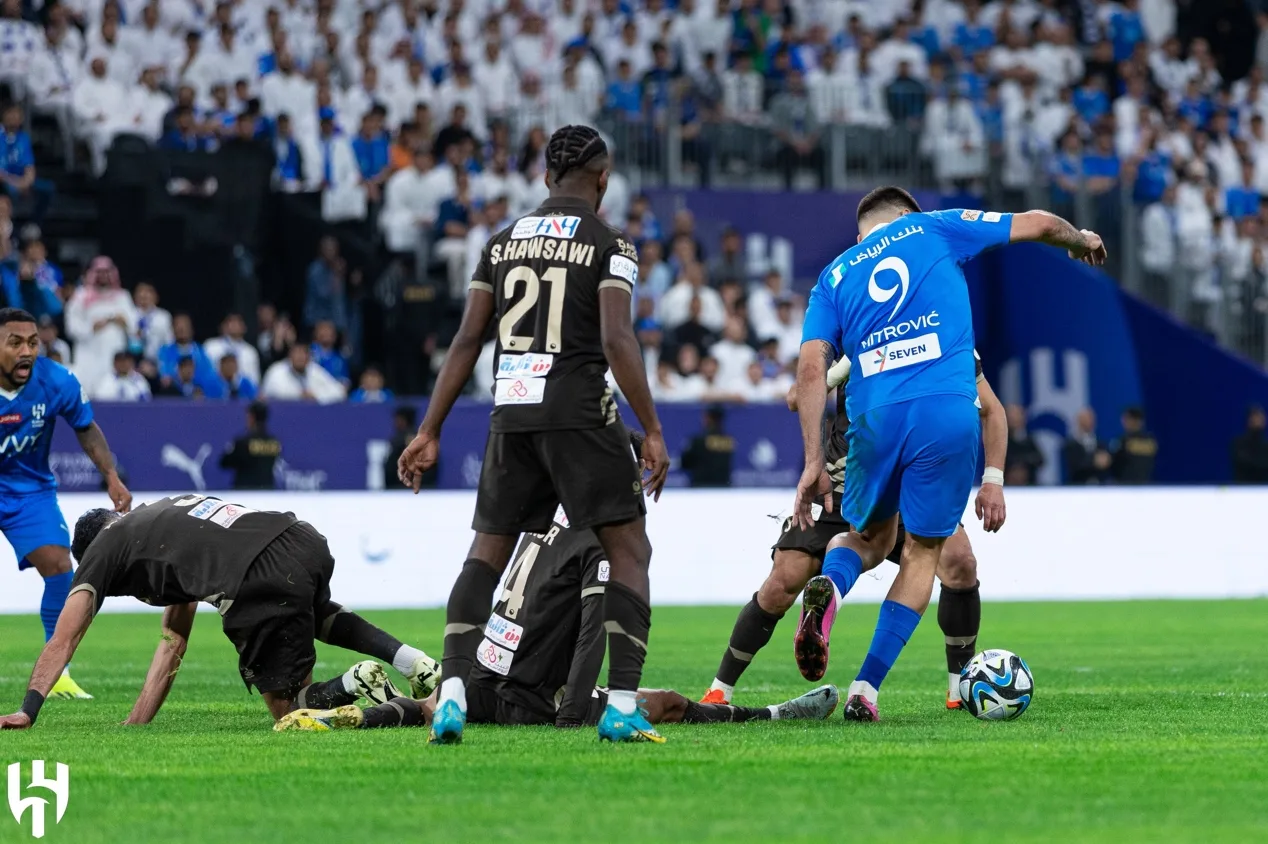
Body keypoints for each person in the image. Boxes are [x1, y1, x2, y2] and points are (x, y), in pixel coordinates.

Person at [396, 124, 669, 745]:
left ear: (546, 177)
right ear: (603, 180)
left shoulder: (500, 243)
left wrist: (429, 429)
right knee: (630, 551)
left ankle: (453, 691)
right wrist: (652, 429)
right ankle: (622, 706)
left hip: (512, 412)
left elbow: (468, 339)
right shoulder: (612, 244)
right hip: (580, 411)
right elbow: (616, 339)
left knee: (486, 554)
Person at [793, 187, 1104, 721]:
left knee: (867, 539)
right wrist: (1078, 240)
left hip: (874, 416)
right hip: (945, 411)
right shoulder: (934, 226)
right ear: (905, 216)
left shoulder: (834, 276)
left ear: (862, 232)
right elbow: (1038, 222)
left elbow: (808, 374)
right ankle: (865, 690)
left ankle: (831, 587)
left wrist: (813, 463)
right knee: (922, 553)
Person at [278, 459, 839, 733]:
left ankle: (350, 716)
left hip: (482, 678)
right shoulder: (602, 541)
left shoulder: (542, 518)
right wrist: (572, 715)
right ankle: (772, 713)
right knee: (667, 701)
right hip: (532, 697)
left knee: (430, 706)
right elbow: (595, 630)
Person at [703, 350, 1007, 711]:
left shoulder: (951, 341)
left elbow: (992, 410)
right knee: (782, 583)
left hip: (908, 481)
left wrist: (993, 479)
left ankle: (960, 688)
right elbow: (796, 397)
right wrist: (841, 368)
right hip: (840, 483)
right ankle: (720, 689)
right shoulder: (857, 337)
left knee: (960, 563)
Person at [0, 495, 441, 730]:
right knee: (314, 610)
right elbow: (173, 640)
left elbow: (64, 638)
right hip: (299, 538)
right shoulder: (161, 517)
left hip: (255, 578)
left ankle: (361, 684)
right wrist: (136, 722)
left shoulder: (102, 550)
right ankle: (412, 661)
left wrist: (28, 709)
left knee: (290, 711)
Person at [0, 308, 132, 701]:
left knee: (61, 569)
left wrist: (111, 476)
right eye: (15, 343)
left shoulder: (56, 380)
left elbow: (86, 428)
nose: (27, 351)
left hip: (29, 492)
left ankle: (57, 676)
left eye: (32, 342)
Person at [219, 401, 279, 490]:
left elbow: (224, 462)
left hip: (244, 491)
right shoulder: (274, 442)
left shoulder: (243, 442)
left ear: (252, 417)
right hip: (267, 490)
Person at [260, 343, 347, 404]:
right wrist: (299, 396)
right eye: (297, 353)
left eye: (303, 353)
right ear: (289, 356)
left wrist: (316, 396)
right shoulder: (276, 371)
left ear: (309, 357)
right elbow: (269, 395)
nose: (300, 357)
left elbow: (339, 392)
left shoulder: (314, 370)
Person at [680, 405, 734, 487]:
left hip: (700, 487)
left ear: (708, 418)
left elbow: (685, 463)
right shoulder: (728, 440)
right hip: (722, 488)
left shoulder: (698, 441)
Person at [1063, 407, 1110, 485]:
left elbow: (1105, 463)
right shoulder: (1071, 444)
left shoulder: (1100, 443)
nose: (1090, 421)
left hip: (1099, 486)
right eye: (1086, 418)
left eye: (1092, 418)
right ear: (1078, 420)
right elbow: (1074, 465)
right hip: (1078, 486)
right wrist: (1093, 461)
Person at [1110, 406, 1157, 484]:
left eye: (1126, 419)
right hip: (1145, 485)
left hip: (1126, 486)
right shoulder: (1151, 441)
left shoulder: (1123, 441)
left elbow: (1111, 462)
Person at [1004, 404, 1045, 485]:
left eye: (1017, 416)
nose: (1014, 419)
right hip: (1006, 485)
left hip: (1029, 485)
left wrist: (1024, 465)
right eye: (1011, 417)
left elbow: (1040, 460)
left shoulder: (1029, 440)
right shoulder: (1001, 440)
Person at [1231, 405, 1268, 483]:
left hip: (1264, 488)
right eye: (1254, 417)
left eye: (1260, 417)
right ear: (1248, 420)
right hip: (1243, 488)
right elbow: (1245, 464)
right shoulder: (1238, 444)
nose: (1257, 420)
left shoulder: (1266, 446)